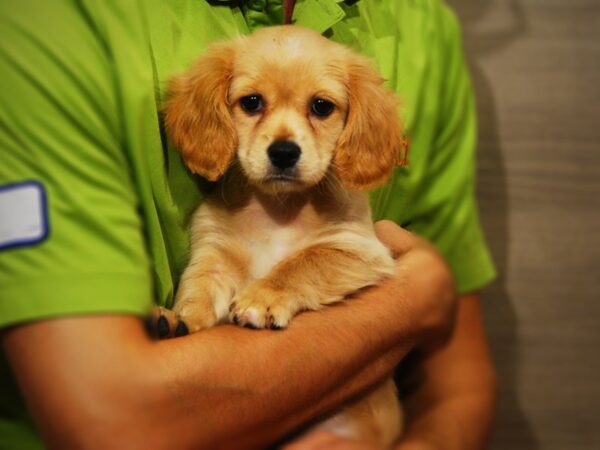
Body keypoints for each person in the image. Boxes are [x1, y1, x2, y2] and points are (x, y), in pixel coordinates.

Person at [0, 0, 497, 448]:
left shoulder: (420, 27)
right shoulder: (46, 25)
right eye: (252, 104)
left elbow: (458, 388)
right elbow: (107, 422)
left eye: (320, 108)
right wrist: (413, 299)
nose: (285, 139)